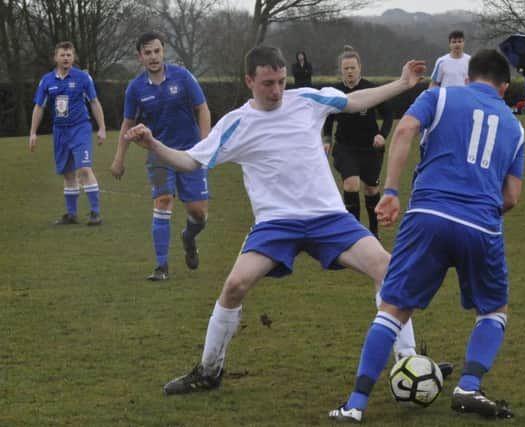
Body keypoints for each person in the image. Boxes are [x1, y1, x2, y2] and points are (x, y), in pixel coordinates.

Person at [123, 46, 431, 396]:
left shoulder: (307, 100)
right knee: (234, 286)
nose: (277, 91)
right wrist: (153, 144)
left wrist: (403, 83)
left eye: (282, 81)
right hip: (276, 224)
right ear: (249, 81)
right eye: (268, 83)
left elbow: (357, 101)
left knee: (387, 269)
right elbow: (191, 161)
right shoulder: (236, 123)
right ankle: (208, 370)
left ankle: (407, 362)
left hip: (328, 217)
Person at [329, 49, 525, 422]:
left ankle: (355, 405)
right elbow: (512, 197)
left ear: (468, 77)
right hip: (481, 225)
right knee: (493, 310)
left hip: (427, 216)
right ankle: (469, 385)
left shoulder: (441, 95)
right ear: (504, 87)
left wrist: (390, 191)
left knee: (394, 308)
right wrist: (478, 208)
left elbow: (403, 129)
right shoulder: (516, 128)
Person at [111, 32, 211, 281]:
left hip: (189, 153)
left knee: (198, 213)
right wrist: (118, 158)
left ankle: (188, 238)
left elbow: (202, 108)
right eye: (148, 53)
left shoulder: (183, 76)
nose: (153, 57)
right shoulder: (135, 88)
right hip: (157, 153)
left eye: (157, 51)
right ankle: (161, 266)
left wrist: (205, 146)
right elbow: (128, 123)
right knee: (163, 201)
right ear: (140, 57)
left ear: (163, 52)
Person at [29, 41, 107, 226]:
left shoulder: (82, 78)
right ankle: (71, 215)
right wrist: (33, 132)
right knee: (67, 173)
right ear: (56, 57)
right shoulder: (47, 80)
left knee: (84, 169)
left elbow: (94, 102)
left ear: (73, 58)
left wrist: (102, 127)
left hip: (80, 128)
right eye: (62, 55)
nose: (66, 58)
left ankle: (95, 213)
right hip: (60, 131)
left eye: (69, 55)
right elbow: (39, 106)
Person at [323, 46, 393, 238]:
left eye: (353, 67)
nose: (350, 72)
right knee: (351, 185)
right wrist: (327, 139)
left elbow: (388, 115)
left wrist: (383, 135)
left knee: (371, 189)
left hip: (370, 148)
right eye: (346, 68)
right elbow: (328, 118)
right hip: (345, 147)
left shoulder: (371, 89)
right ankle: (354, 233)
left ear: (360, 67)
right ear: (341, 70)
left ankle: (373, 230)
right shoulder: (335, 93)